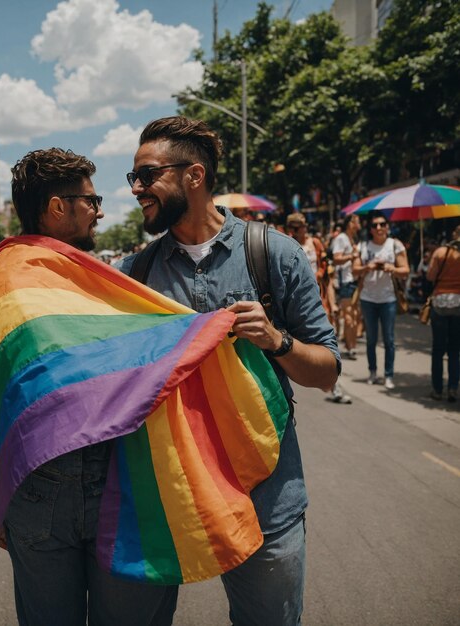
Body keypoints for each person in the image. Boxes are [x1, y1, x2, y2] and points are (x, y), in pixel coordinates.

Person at [118, 116, 339, 626]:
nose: (136, 189)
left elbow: (327, 371)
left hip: (264, 500)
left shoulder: (273, 254)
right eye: (134, 178)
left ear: (193, 176)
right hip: (163, 501)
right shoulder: (136, 274)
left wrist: (277, 341)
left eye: (147, 175)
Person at [0, 148, 178, 626]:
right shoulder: (104, 291)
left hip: (32, 494)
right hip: (119, 486)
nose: (99, 210)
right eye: (91, 199)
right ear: (58, 207)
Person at [286, 213, 349, 403]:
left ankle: (333, 385)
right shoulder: (283, 245)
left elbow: (327, 273)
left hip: (318, 299)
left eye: (303, 226)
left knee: (325, 342)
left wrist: (331, 299)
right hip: (294, 303)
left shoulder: (316, 244)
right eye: (299, 227)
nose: (303, 230)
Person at [352, 211, 409, 390]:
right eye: (375, 225)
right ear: (370, 229)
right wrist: (367, 267)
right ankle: (372, 372)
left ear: (387, 227)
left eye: (382, 224)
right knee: (371, 339)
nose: (379, 228)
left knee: (389, 339)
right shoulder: (363, 246)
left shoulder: (395, 245)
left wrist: (390, 268)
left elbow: (405, 270)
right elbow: (354, 271)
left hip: (388, 298)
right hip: (368, 298)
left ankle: (389, 375)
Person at [426, 225, 460, 402]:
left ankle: (437, 390)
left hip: (440, 301)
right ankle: (453, 388)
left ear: (454, 234)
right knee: (455, 349)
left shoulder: (440, 252)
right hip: (459, 303)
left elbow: (430, 276)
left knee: (438, 349)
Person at [330, 213, 361, 360]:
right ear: (350, 223)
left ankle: (351, 346)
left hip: (354, 281)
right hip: (345, 281)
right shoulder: (342, 238)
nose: (359, 225)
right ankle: (350, 348)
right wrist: (352, 256)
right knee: (349, 317)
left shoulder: (351, 239)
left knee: (354, 316)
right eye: (357, 222)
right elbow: (336, 259)